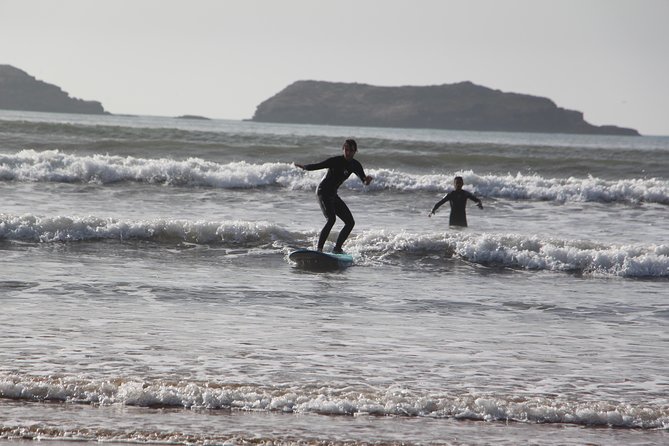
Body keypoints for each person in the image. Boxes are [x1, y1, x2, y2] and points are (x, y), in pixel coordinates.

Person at [295, 139, 373, 253]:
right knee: (331, 219)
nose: (348, 152)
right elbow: (318, 165)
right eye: (346, 149)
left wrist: (367, 181)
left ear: (355, 151)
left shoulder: (355, 165)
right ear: (343, 149)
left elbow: (364, 181)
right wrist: (304, 167)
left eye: (351, 150)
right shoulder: (336, 161)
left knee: (350, 222)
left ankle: (337, 248)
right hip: (323, 191)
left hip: (333, 194)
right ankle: (319, 250)